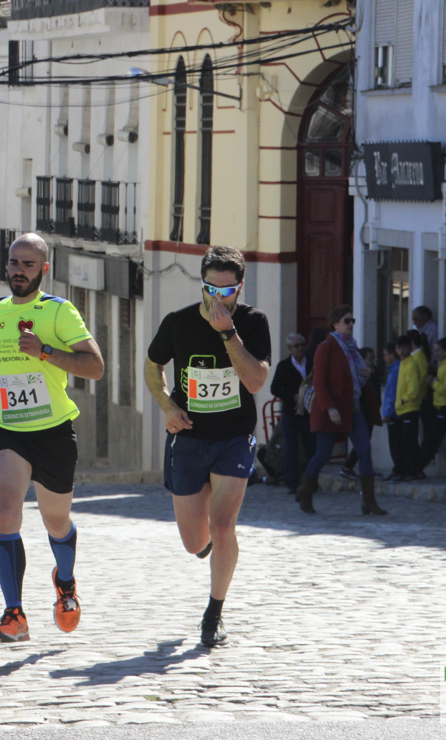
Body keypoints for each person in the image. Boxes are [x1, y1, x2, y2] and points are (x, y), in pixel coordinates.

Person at [0, 233, 104, 644]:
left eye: (28, 265)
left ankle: (65, 582)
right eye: (13, 263)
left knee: (55, 520)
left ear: (44, 270)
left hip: (52, 431)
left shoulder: (59, 313)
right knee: (7, 511)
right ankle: (14, 614)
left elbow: (95, 366)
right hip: (6, 425)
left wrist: (45, 352)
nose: (18, 271)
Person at [145, 246, 269, 647]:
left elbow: (254, 382)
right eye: (211, 290)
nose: (219, 299)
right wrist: (167, 405)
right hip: (190, 438)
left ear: (240, 286)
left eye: (227, 291)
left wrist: (228, 334)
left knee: (223, 524)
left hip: (234, 437)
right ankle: (214, 549)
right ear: (201, 285)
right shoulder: (178, 323)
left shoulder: (252, 322)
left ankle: (213, 614)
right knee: (194, 541)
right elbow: (152, 366)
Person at [297, 306, 386, 516]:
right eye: (347, 321)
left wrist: (365, 373)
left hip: (352, 407)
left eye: (352, 321)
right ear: (335, 324)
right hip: (332, 408)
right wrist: (329, 407)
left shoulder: (354, 348)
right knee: (323, 454)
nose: (351, 324)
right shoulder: (326, 347)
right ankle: (306, 490)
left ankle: (369, 501)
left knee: (364, 449)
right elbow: (319, 380)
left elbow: (356, 380)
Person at [269, 333, 312, 494]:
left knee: (310, 448)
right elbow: (274, 388)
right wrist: (292, 395)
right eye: (296, 346)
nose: (300, 348)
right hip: (291, 413)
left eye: (302, 345)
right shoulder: (284, 366)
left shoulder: (311, 363)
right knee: (291, 449)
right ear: (290, 348)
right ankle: (292, 483)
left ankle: (309, 482)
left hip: (309, 412)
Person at [339, 347, 379, 479]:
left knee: (366, 443)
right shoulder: (360, 374)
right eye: (370, 359)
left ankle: (366, 469)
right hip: (365, 412)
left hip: (372, 411)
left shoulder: (373, 372)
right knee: (363, 442)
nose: (372, 361)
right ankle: (349, 466)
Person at [419, 337, 446, 471]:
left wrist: (433, 383)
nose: (436, 353)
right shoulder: (443, 367)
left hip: (445, 407)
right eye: (434, 350)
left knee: (431, 441)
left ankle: (418, 468)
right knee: (429, 439)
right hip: (438, 406)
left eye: (439, 350)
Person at [393, 334, 426, 480]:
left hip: (410, 407)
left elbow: (413, 389)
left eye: (404, 347)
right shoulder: (402, 363)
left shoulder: (412, 364)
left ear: (409, 347)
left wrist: (402, 400)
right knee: (405, 441)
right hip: (402, 408)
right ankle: (410, 469)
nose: (401, 350)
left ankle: (413, 470)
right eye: (399, 348)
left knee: (410, 442)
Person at [381, 341, 405, 481]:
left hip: (394, 413)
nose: (384, 358)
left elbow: (392, 394)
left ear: (391, 355)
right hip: (394, 412)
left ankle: (399, 470)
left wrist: (388, 413)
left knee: (396, 444)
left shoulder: (396, 370)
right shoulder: (394, 369)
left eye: (385, 355)